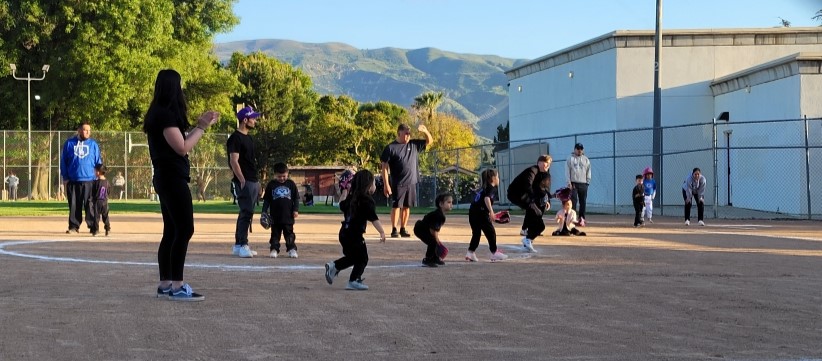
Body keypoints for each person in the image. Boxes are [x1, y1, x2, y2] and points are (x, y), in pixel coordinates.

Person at [143, 69, 219, 301]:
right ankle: (177, 285)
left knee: (171, 230)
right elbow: (182, 147)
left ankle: (166, 283)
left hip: (166, 177)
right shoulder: (164, 115)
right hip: (172, 178)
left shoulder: (159, 113)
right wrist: (202, 127)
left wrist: (197, 126)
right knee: (185, 229)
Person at [324, 169, 386, 291]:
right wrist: (382, 232)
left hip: (344, 234)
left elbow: (341, 205)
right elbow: (374, 219)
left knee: (353, 257)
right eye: (373, 183)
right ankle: (353, 280)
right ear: (368, 185)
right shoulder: (367, 200)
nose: (374, 186)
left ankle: (334, 266)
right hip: (355, 236)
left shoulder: (351, 198)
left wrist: (344, 192)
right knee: (363, 258)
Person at [380, 123, 433, 238]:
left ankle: (403, 228)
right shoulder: (390, 148)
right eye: (406, 133)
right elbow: (384, 167)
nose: (408, 136)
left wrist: (425, 131)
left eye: (409, 133)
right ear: (399, 133)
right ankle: (394, 229)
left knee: (407, 206)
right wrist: (386, 184)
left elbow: (429, 141)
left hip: (411, 181)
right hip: (398, 183)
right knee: (396, 206)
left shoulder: (413, 144)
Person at [228, 105, 262, 258]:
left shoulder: (249, 137)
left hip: (252, 180)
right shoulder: (235, 138)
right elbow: (234, 161)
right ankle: (243, 244)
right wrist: (241, 179)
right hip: (244, 180)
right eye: (253, 118)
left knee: (247, 212)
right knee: (246, 212)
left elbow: (251, 162)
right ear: (245, 120)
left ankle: (238, 245)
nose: (255, 120)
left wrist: (257, 181)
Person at [60, 121, 103, 234]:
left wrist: (100, 175)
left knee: (90, 204)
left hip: (90, 179)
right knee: (74, 204)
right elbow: (64, 161)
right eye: (85, 130)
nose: (87, 132)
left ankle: (93, 226)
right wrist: (65, 177)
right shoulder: (69, 143)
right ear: (79, 130)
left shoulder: (93, 144)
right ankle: (74, 226)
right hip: (73, 180)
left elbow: (98, 161)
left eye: (89, 130)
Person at [506, 155, 552, 253]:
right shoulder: (532, 170)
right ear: (539, 162)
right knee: (539, 223)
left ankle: (527, 240)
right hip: (516, 194)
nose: (547, 165)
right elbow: (528, 185)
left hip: (525, 195)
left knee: (533, 216)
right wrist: (533, 202)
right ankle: (527, 238)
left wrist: (548, 200)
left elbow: (544, 188)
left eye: (548, 164)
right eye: (545, 163)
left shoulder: (542, 175)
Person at [466, 169, 508, 262]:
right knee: (491, 232)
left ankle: (470, 252)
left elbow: (481, 201)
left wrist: (489, 212)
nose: (498, 179)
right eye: (497, 177)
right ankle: (494, 252)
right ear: (493, 178)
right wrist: (491, 212)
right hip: (480, 213)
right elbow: (486, 199)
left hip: (473, 212)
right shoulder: (491, 187)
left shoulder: (484, 188)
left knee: (476, 233)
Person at [261, 162, 300, 259]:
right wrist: (264, 211)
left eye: (284, 176)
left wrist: (295, 210)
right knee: (275, 234)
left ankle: (291, 249)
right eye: (279, 176)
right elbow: (266, 200)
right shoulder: (271, 185)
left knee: (289, 234)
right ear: (274, 175)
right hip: (275, 216)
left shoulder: (291, 184)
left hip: (288, 216)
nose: (282, 178)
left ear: (287, 173)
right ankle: (274, 249)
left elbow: (296, 198)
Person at [414, 193, 453, 267]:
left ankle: (435, 258)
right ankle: (428, 259)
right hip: (420, 229)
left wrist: (437, 241)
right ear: (441, 204)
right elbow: (433, 231)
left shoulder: (440, 215)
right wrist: (438, 242)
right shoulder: (439, 215)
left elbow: (435, 230)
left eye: (451, 202)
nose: (451, 204)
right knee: (433, 242)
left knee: (434, 241)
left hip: (424, 229)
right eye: (448, 202)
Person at [566, 143, 591, 226]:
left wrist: (587, 182)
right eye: (578, 148)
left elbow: (588, 171)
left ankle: (582, 218)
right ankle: (572, 218)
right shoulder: (570, 159)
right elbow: (567, 172)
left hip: (583, 183)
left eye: (581, 148)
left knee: (583, 201)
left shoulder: (586, 159)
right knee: (573, 201)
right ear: (574, 149)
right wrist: (568, 182)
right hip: (573, 183)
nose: (579, 150)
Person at [90, 164, 111, 237]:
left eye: (95, 171)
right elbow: (108, 191)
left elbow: (93, 192)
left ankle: (96, 230)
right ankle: (107, 229)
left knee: (96, 216)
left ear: (98, 172)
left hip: (97, 202)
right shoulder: (107, 182)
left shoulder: (95, 182)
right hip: (105, 201)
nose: (95, 172)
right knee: (105, 216)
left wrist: (92, 199)